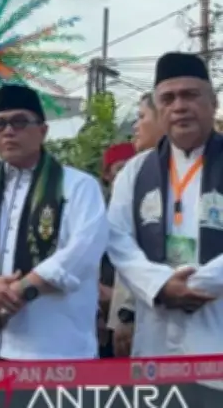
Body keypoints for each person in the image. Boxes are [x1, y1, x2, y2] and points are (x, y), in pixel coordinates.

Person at [107, 52, 223, 406]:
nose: (180, 107)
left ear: (213, 101)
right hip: (155, 339)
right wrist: (158, 285)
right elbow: (117, 239)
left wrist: (194, 285)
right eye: (168, 99)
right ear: (158, 109)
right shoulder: (136, 170)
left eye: (191, 95)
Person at [0, 85, 108, 362]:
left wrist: (21, 289)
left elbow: (83, 251)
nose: (9, 131)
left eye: (19, 122)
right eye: (0, 124)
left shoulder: (78, 186)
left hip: (55, 346)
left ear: (42, 131)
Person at [108, 92, 166, 357]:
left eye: (142, 117)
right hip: (143, 310)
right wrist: (126, 313)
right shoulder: (137, 170)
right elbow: (121, 242)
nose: (136, 126)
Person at [97, 142, 136, 358]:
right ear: (107, 175)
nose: (126, 175)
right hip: (100, 317)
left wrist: (119, 300)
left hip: (129, 314)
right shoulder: (96, 210)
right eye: (120, 169)